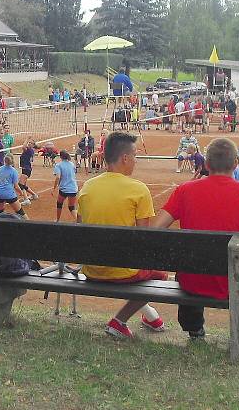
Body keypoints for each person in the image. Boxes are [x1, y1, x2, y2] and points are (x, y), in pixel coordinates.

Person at [152, 137, 239, 341]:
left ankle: (194, 328)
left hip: (192, 280)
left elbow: (156, 229)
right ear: (236, 164)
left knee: (190, 262)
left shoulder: (184, 191)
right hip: (234, 279)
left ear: (206, 164)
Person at [77, 131, 166, 339]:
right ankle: (120, 320)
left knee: (140, 269)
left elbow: (79, 228)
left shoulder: (88, 186)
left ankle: (149, 314)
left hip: (91, 269)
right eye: (135, 156)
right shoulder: (139, 189)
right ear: (125, 158)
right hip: (121, 272)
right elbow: (144, 239)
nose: (136, 161)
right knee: (160, 276)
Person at [52, 150, 79, 221]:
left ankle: (57, 220)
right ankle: (79, 221)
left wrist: (54, 188)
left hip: (64, 189)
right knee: (71, 207)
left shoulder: (58, 165)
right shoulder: (72, 164)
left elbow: (58, 177)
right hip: (73, 188)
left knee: (59, 203)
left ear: (60, 156)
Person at [18, 139, 40, 206]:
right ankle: (34, 195)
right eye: (29, 142)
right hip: (27, 169)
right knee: (23, 185)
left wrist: (27, 139)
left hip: (26, 169)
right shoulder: (31, 150)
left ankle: (26, 200)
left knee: (21, 184)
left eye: (31, 143)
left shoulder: (29, 150)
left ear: (33, 145)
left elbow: (23, 147)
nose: (29, 143)